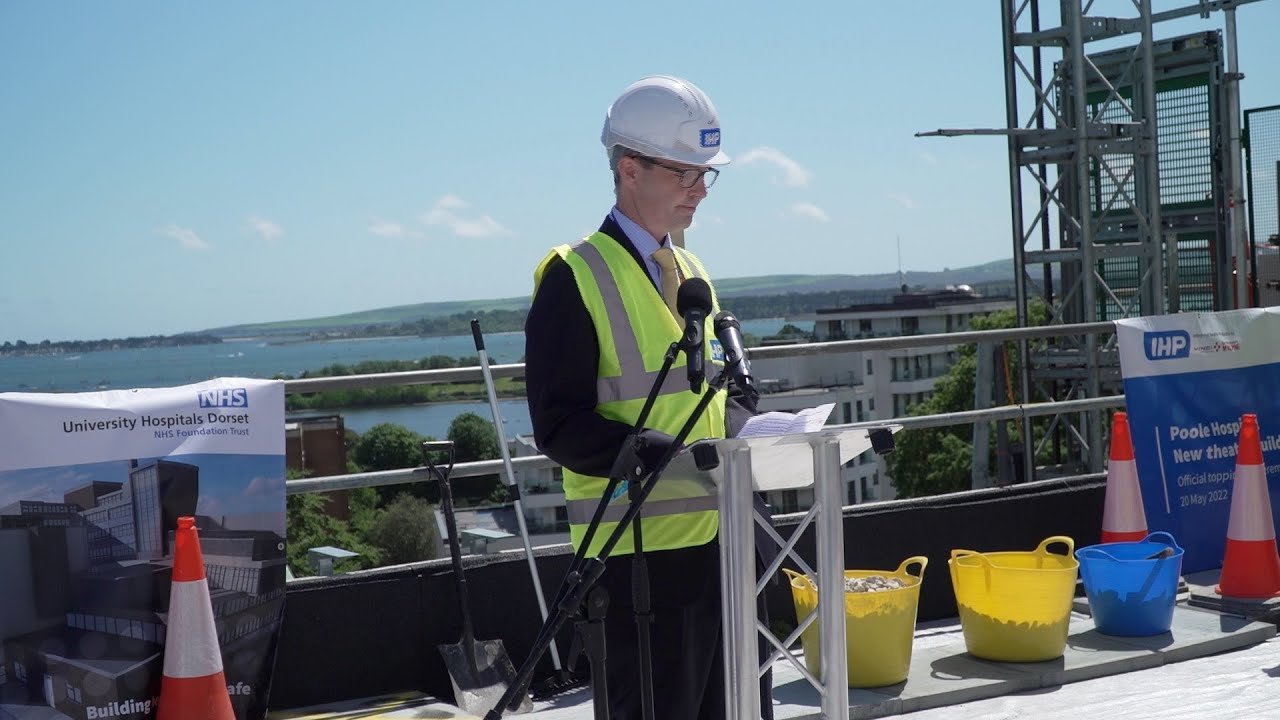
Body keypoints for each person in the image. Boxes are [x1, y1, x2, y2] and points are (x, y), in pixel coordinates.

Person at [524, 75, 773, 720]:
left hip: (726, 547)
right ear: (629, 169)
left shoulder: (691, 272)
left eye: (705, 174)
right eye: (684, 172)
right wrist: (653, 453)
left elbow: (712, 392)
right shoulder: (573, 275)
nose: (699, 189)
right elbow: (558, 424)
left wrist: (756, 428)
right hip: (638, 563)